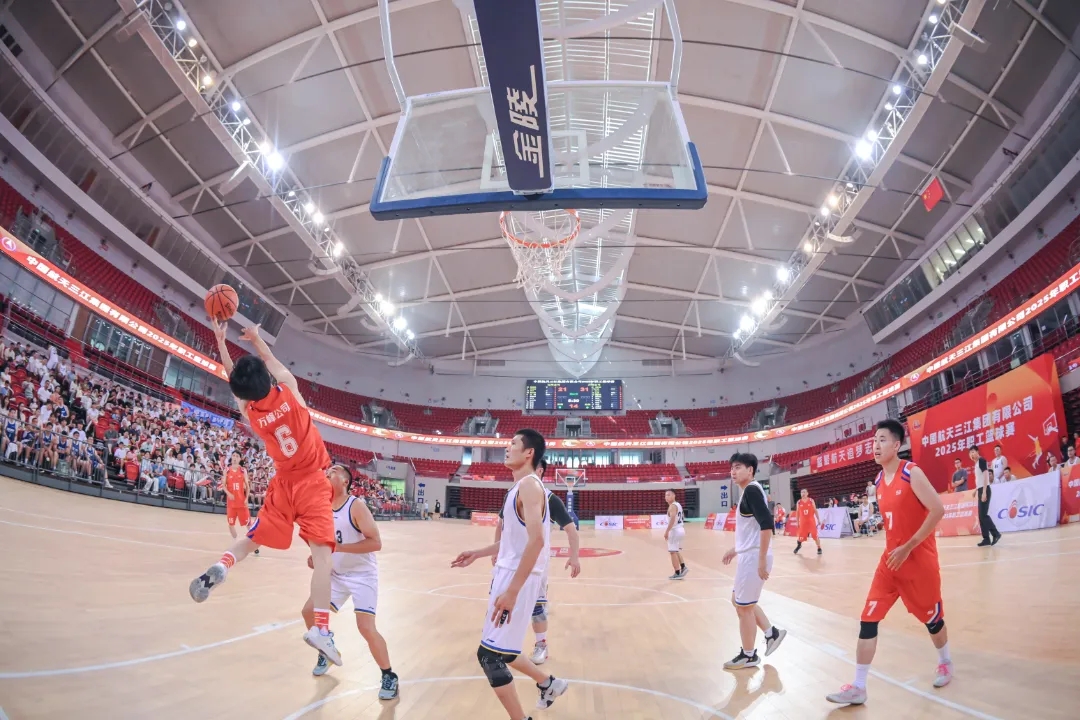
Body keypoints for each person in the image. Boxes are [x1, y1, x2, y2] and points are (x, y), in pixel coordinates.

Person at [188, 321, 340, 667]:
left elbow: (235, 382)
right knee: (323, 559)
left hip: (283, 484)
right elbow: (271, 361)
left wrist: (221, 342)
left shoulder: (251, 414)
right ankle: (321, 628)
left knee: (251, 538)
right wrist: (256, 339)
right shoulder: (289, 390)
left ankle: (221, 565)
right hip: (313, 482)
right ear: (268, 379)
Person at [826, 420, 949, 706]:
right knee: (868, 619)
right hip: (890, 562)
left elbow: (938, 510)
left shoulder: (911, 472)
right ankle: (858, 686)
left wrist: (909, 546)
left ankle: (945, 662)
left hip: (918, 561)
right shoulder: (879, 481)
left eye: (882, 440)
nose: (876, 445)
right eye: (874, 441)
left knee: (932, 619)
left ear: (896, 445)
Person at [451, 430, 569, 719]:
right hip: (510, 573)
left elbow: (536, 541)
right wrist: (478, 553)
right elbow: (512, 542)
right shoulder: (518, 488)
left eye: (513, 443)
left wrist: (513, 591)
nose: (507, 448)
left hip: (518, 578)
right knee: (504, 650)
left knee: (489, 656)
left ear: (529, 453)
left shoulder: (529, 486)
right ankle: (549, 684)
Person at [305, 465, 399, 700]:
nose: (328, 474)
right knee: (308, 612)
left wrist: (339, 548)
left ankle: (389, 675)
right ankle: (326, 650)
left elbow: (376, 543)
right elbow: (323, 542)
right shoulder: (322, 507)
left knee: (365, 627)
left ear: (345, 481)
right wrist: (317, 556)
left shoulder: (355, 505)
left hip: (362, 575)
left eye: (333, 471)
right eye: (327, 471)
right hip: (336, 574)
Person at [492, 459, 581, 666]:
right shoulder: (512, 494)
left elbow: (571, 530)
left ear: (539, 471)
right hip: (509, 562)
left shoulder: (549, 499)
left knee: (536, 607)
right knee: (502, 601)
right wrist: (497, 550)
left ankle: (541, 645)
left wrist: (574, 556)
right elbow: (501, 525)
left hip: (535, 564)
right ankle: (500, 642)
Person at [721, 452, 786, 669]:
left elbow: (767, 524)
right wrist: (736, 549)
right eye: (732, 467)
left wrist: (760, 560)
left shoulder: (751, 490)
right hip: (749, 554)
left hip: (754, 557)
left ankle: (749, 655)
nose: (733, 471)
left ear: (750, 470)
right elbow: (753, 529)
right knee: (738, 601)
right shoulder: (749, 491)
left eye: (738, 467)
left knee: (744, 608)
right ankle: (771, 633)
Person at [969, 445, 1001, 547]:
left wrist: (983, 492)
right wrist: (976, 490)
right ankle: (986, 539)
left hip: (985, 489)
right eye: (970, 453)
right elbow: (980, 479)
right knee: (980, 516)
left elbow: (986, 475)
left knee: (983, 515)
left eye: (973, 452)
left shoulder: (981, 460)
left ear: (977, 452)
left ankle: (996, 533)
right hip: (980, 489)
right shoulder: (976, 464)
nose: (971, 454)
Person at [223, 451, 253, 541]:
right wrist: (229, 493)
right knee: (231, 524)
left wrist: (246, 498)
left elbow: (247, 487)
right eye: (233, 455)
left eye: (237, 456)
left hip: (241, 503)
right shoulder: (226, 470)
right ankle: (235, 541)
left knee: (248, 524)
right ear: (231, 457)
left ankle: (253, 542)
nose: (235, 458)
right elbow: (223, 486)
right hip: (231, 504)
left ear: (240, 459)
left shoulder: (243, 471)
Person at [664, 489, 688, 579]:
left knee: (672, 552)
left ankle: (677, 573)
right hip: (680, 529)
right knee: (676, 550)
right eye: (666, 495)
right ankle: (683, 566)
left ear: (674, 495)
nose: (666, 497)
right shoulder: (678, 505)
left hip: (675, 530)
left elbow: (673, 519)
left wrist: (667, 531)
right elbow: (682, 516)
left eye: (669, 495)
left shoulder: (672, 506)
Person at [794, 488, 822, 555]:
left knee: (815, 535)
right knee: (801, 537)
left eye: (804, 492)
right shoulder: (799, 502)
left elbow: (815, 510)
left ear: (807, 493)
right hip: (803, 523)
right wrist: (797, 522)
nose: (803, 493)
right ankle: (799, 545)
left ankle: (819, 548)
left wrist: (818, 519)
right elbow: (797, 513)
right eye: (801, 492)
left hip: (811, 522)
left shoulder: (811, 500)